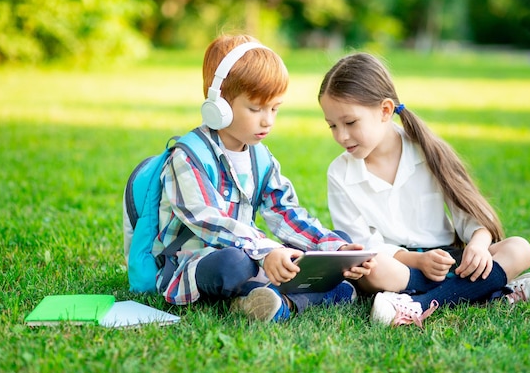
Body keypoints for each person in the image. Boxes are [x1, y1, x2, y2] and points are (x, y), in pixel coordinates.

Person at [317, 53, 530, 328]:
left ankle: (416, 304)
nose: (341, 136)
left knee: (520, 249)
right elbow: (362, 244)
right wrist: (417, 260)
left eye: (350, 123)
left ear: (385, 110)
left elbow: (471, 217)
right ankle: (491, 292)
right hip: (399, 266)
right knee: (374, 269)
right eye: (332, 126)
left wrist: (478, 245)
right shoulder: (340, 173)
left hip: (448, 260)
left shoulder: (427, 151)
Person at [154, 34, 373, 322]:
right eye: (256, 108)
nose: (268, 120)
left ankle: (268, 302)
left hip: (253, 251)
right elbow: (209, 221)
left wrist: (334, 248)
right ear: (218, 105)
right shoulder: (187, 156)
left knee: (332, 246)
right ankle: (312, 295)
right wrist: (268, 250)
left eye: (275, 108)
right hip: (198, 264)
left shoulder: (261, 157)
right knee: (234, 264)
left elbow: (285, 211)